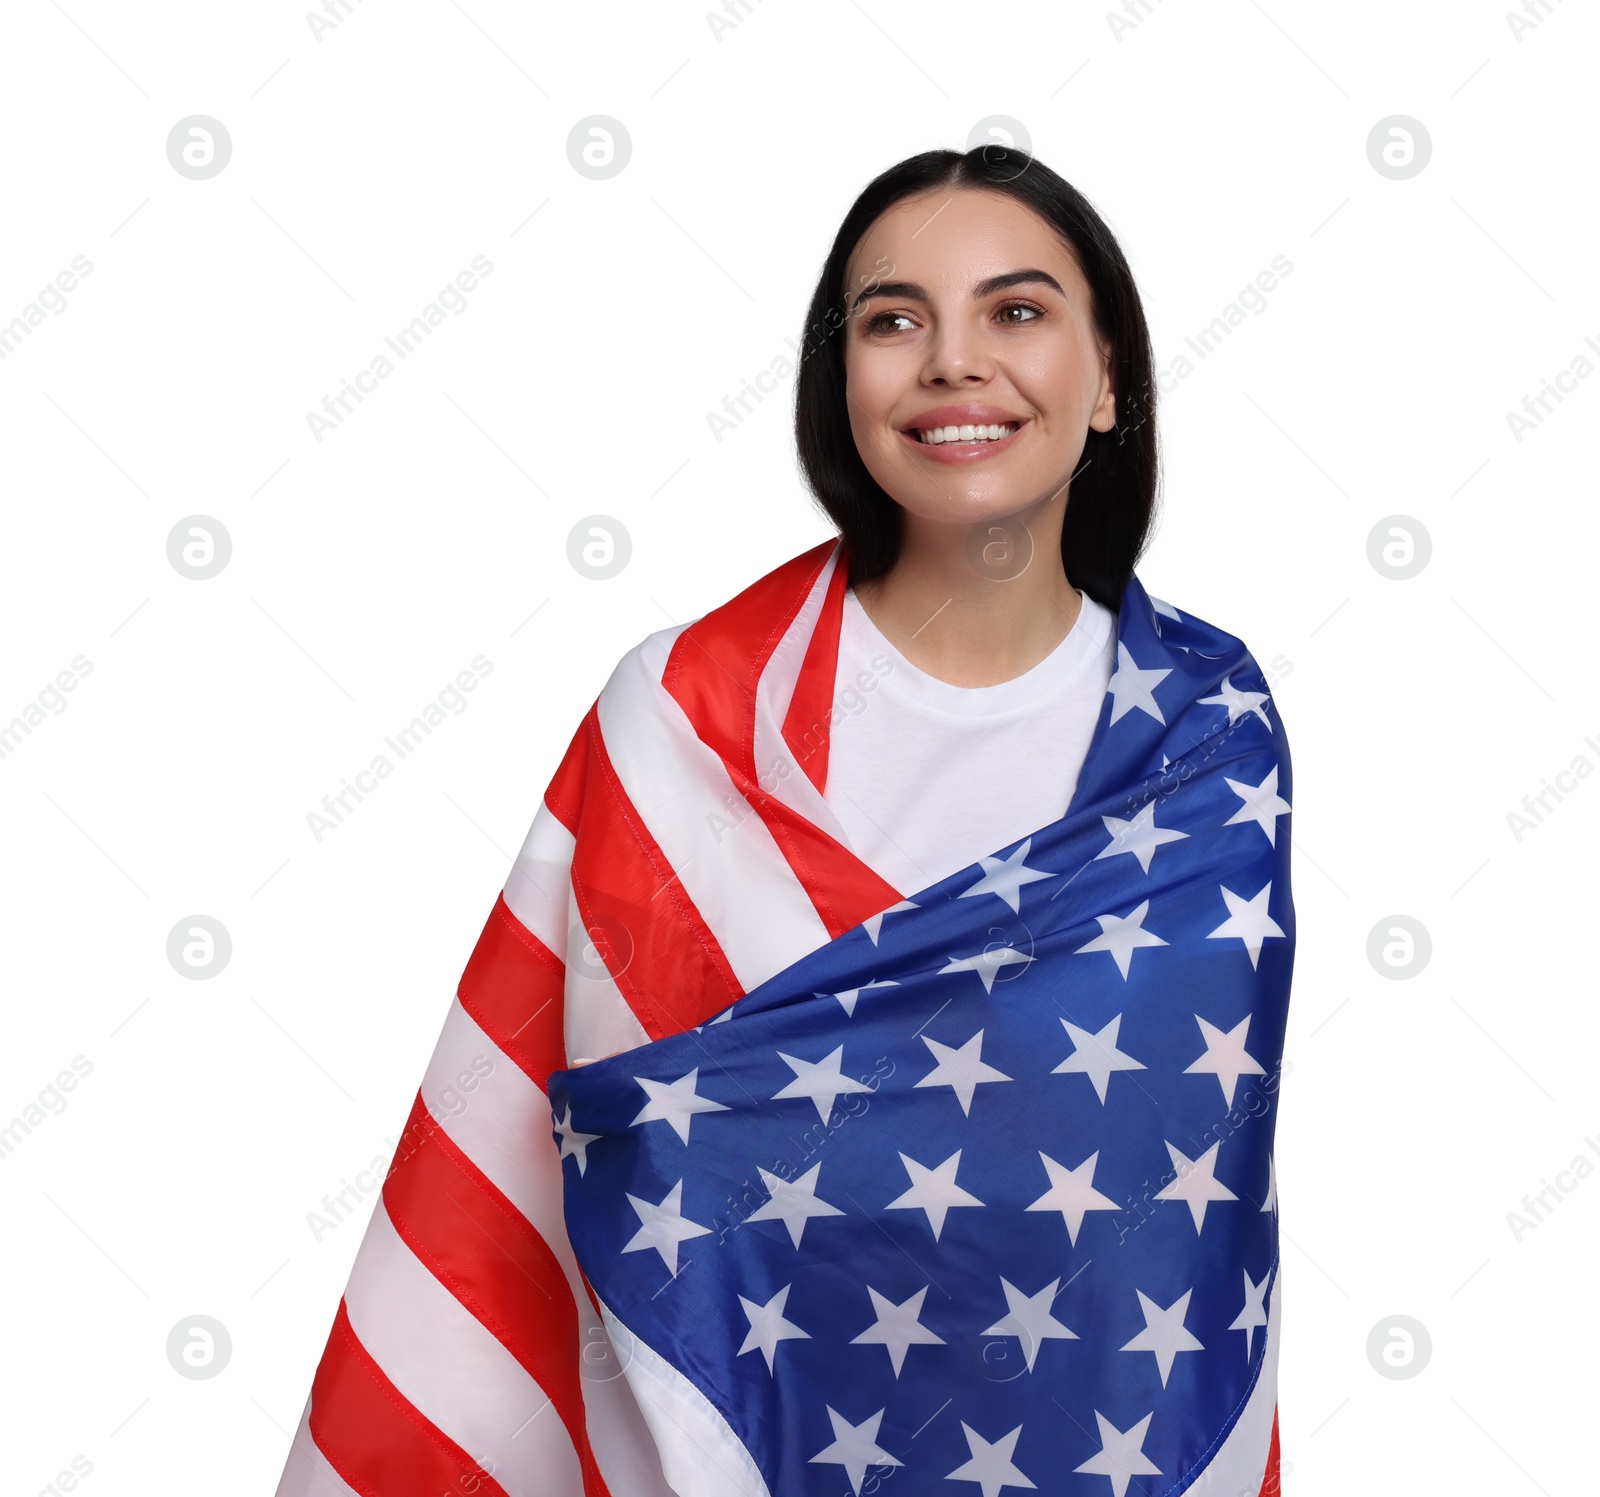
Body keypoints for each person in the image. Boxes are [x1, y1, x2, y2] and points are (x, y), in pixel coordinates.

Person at [276, 145, 1293, 1497]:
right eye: (893, 321)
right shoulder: (686, 715)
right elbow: (579, 1137)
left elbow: (1189, 1204)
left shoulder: (1213, 727)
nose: (952, 361)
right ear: (844, 386)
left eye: (1018, 310)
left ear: (1108, 379)